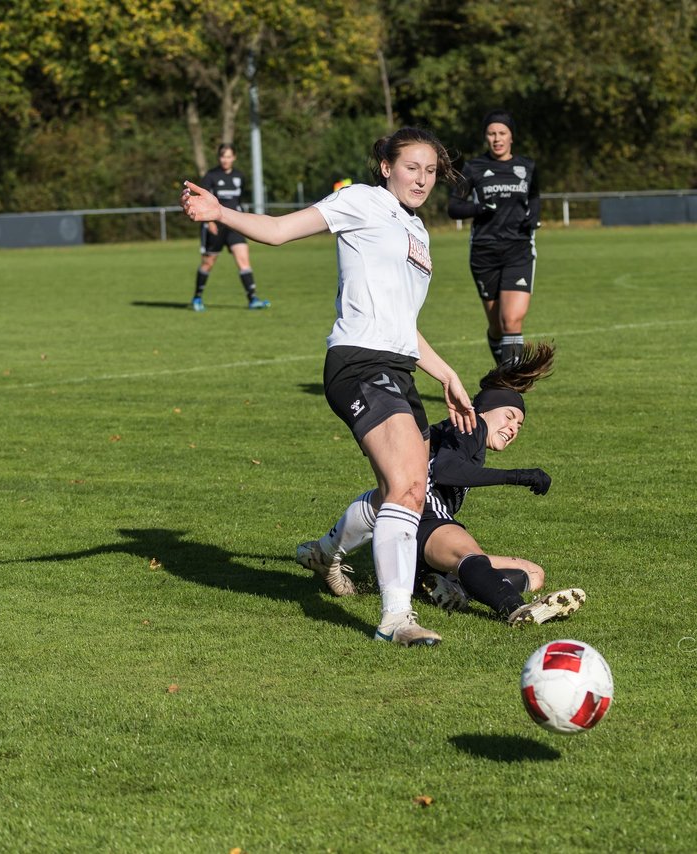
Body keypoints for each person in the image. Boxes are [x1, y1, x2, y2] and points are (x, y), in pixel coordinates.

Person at [182, 127, 477, 647]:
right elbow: (278, 231)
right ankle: (396, 619)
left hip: (398, 368)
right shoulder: (361, 201)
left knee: (400, 491)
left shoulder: (417, 229)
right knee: (409, 488)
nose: (422, 179)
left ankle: (325, 552)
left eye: (431, 171)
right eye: (412, 167)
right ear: (386, 167)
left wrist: (446, 373)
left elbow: (402, 323)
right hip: (358, 362)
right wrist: (219, 213)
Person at [296, 342, 586, 626]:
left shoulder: (464, 436)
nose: (512, 428)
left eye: (519, 426)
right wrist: (517, 476)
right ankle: (516, 609)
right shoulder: (471, 427)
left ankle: (446, 586)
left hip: (421, 533)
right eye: (509, 417)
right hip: (422, 516)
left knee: (534, 574)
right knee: (469, 556)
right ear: (483, 410)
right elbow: (446, 472)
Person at [448, 110, 541, 365]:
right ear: (485, 137)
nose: (497, 139)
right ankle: (504, 371)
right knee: (497, 326)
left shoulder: (528, 166)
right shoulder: (473, 168)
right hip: (484, 252)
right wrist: (479, 208)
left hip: (519, 250)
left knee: (511, 320)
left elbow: (534, 197)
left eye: (502, 133)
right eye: (491, 134)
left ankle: (512, 382)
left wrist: (534, 217)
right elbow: (454, 207)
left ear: (512, 136)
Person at [190, 143, 269, 311]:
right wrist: (209, 222)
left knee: (243, 260)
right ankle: (197, 297)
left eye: (228, 156)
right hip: (215, 227)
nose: (225, 160)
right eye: (222, 156)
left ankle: (253, 299)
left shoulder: (239, 176)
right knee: (208, 263)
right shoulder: (211, 176)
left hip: (234, 226)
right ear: (219, 157)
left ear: (234, 157)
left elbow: (239, 201)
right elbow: (202, 201)